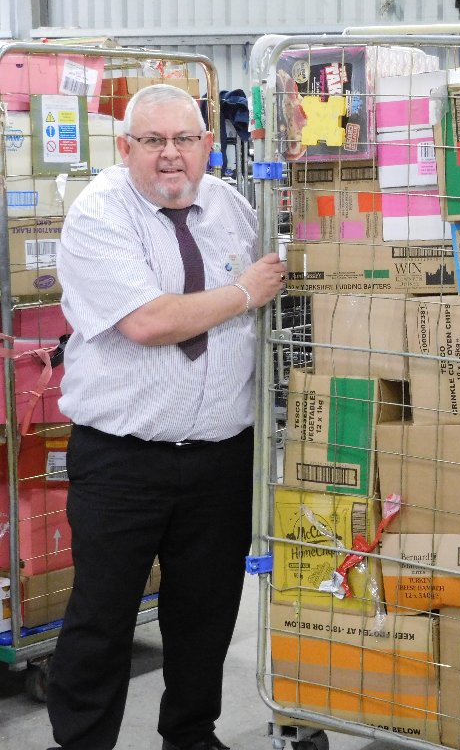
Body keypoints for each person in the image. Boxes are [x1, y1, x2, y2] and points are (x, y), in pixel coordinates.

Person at [48, 84, 287, 750]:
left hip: (219, 455)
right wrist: (244, 293)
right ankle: (82, 743)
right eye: (153, 141)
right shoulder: (99, 215)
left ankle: (191, 734)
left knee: (206, 613)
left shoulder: (232, 209)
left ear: (208, 144)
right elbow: (150, 321)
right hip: (124, 460)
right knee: (102, 615)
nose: (171, 156)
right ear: (126, 147)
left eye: (184, 139)